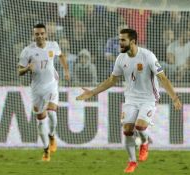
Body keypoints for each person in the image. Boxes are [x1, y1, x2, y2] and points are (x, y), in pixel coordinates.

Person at [76, 29, 182, 173]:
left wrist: (174, 97)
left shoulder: (148, 56)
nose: (120, 43)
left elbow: (163, 78)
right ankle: (132, 161)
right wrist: (93, 92)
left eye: (123, 40)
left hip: (149, 98)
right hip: (131, 98)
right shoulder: (121, 58)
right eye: (120, 40)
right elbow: (112, 80)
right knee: (127, 130)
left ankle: (144, 142)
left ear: (132, 41)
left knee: (139, 126)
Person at [18, 23, 70, 162]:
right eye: (37, 34)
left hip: (51, 85)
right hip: (37, 89)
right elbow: (19, 71)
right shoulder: (27, 51)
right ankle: (46, 150)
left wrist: (66, 71)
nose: (40, 36)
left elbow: (62, 56)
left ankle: (52, 135)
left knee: (52, 112)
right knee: (41, 121)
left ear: (46, 34)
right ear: (33, 35)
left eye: (42, 33)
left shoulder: (53, 45)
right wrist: (27, 68)